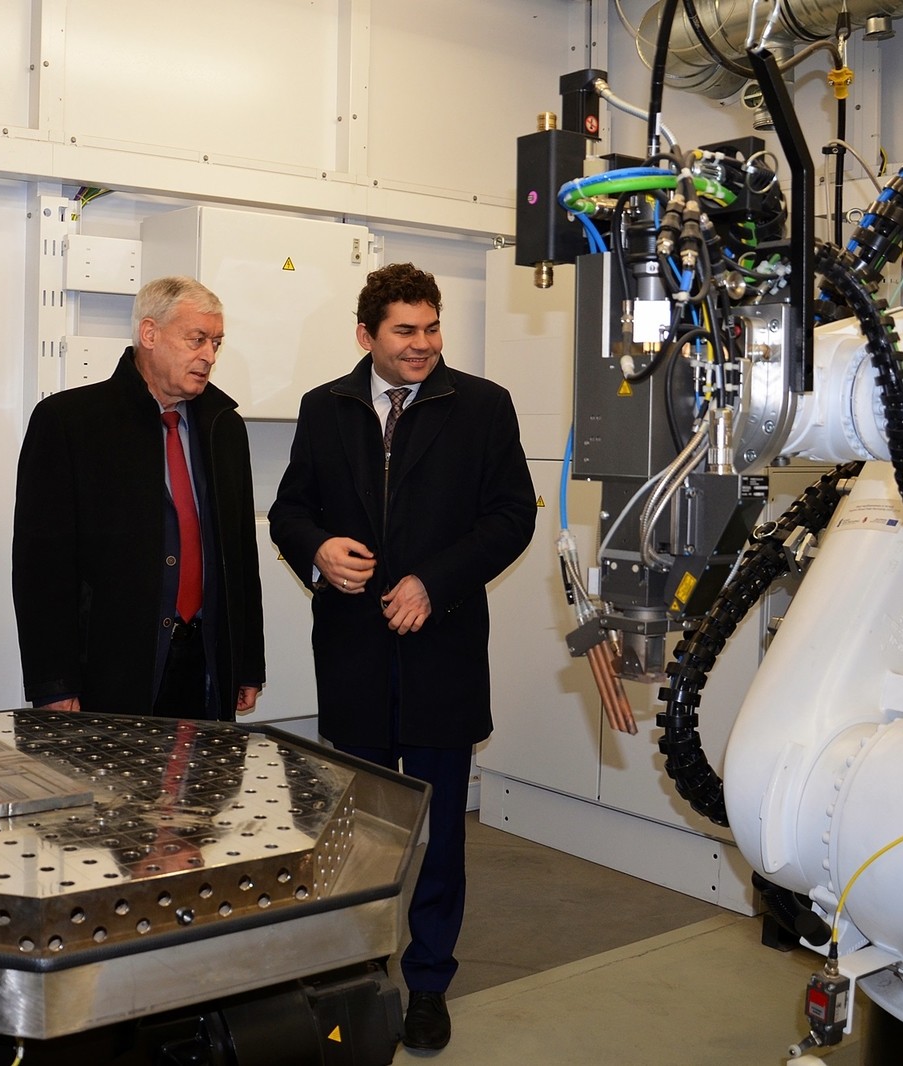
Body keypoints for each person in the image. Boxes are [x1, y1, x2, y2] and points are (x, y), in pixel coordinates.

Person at [269, 262, 535, 1052]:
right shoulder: (326, 406)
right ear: (366, 335)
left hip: (441, 650)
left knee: (440, 833)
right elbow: (289, 508)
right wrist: (319, 550)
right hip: (352, 652)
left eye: (432, 328)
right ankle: (357, 972)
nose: (423, 345)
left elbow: (511, 517)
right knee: (354, 832)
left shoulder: (482, 406)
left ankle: (427, 982)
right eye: (405, 331)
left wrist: (434, 582)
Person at [12, 275, 264, 721]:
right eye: (197, 339)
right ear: (150, 334)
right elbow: (41, 568)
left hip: (205, 663)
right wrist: (54, 683)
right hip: (111, 669)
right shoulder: (70, 423)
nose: (209, 356)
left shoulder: (224, 427)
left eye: (216, 343)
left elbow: (241, 554)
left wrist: (247, 664)